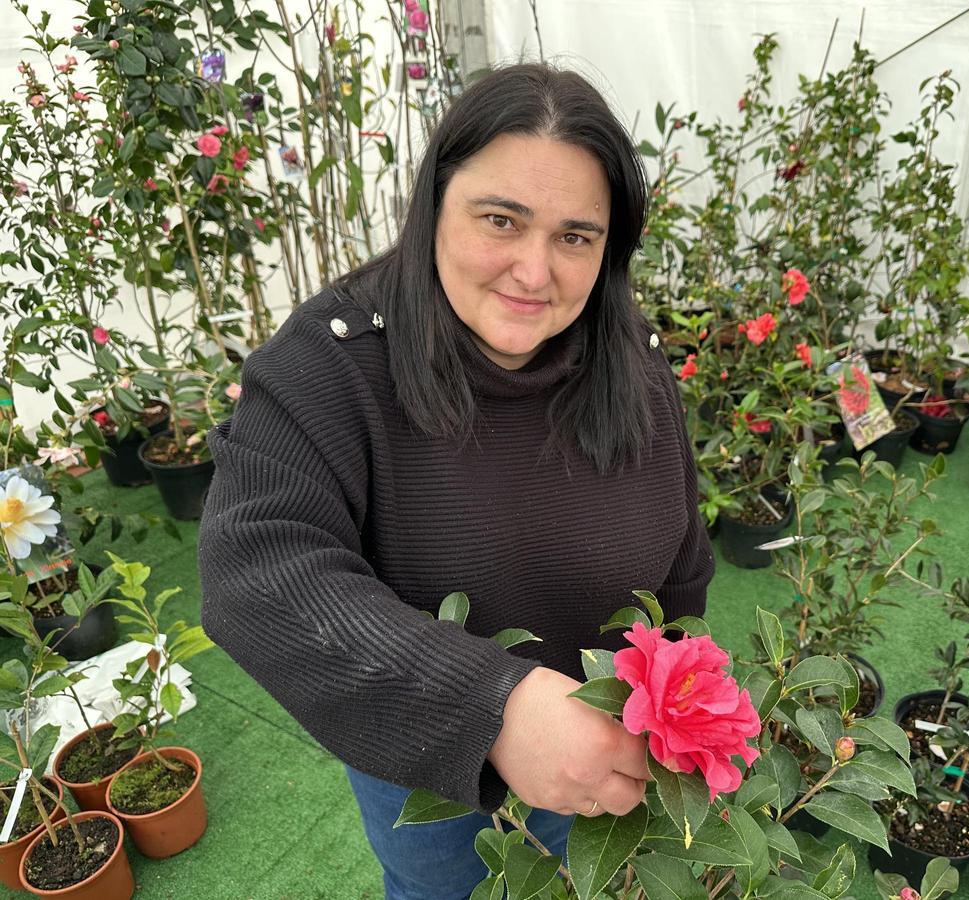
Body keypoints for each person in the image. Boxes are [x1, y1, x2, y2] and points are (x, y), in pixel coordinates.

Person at [197, 62, 714, 900]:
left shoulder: (629, 355)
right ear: (435, 202)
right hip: (425, 747)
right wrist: (494, 707)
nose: (535, 272)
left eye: (575, 236)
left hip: (609, 742)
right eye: (500, 220)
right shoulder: (332, 362)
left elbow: (682, 548)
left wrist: (677, 691)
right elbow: (257, 572)